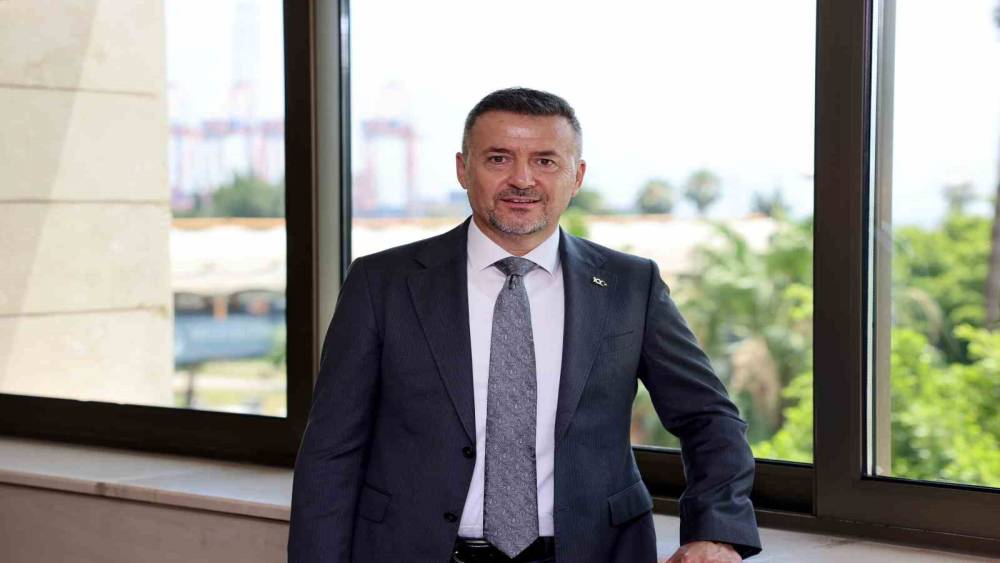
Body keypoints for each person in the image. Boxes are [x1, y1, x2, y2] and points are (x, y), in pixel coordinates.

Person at [288, 87, 761, 563]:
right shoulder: (381, 283)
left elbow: (709, 418)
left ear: (576, 177)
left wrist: (715, 532)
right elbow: (331, 450)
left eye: (545, 161)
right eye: (498, 158)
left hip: (595, 553)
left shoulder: (631, 285)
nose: (522, 179)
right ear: (463, 169)